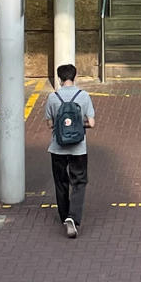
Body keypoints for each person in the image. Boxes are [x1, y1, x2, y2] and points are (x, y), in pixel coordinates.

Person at [46, 63, 95, 239]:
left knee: (61, 183)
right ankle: (73, 217)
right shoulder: (83, 96)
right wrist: (78, 125)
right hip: (78, 148)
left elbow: (50, 123)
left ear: (59, 78)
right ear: (75, 77)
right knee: (79, 182)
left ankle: (64, 215)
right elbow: (92, 123)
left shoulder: (53, 97)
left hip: (57, 147)